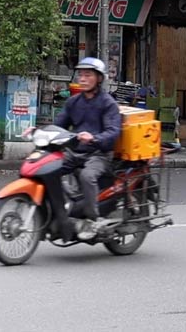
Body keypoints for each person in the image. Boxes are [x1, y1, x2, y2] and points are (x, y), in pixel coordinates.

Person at [52, 57, 121, 240]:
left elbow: (113, 132)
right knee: (50, 168)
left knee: (87, 176)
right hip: (76, 152)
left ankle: (92, 219)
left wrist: (94, 138)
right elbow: (58, 125)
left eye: (87, 75)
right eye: (81, 75)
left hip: (99, 154)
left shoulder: (108, 104)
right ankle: (63, 209)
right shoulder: (73, 102)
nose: (82, 78)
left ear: (99, 78)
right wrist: (36, 130)